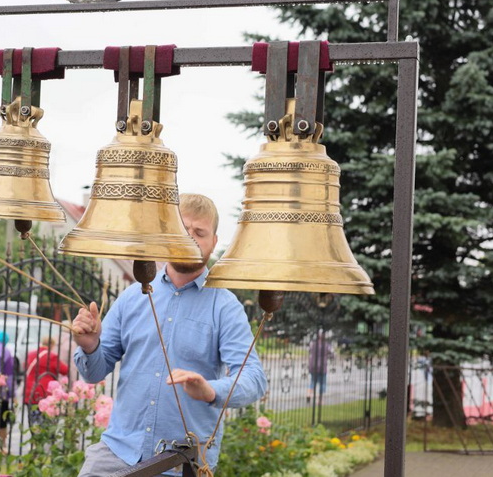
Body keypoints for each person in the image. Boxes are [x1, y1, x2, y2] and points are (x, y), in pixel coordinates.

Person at [71, 193, 268, 476]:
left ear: (213, 242)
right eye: (182, 230)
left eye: (199, 233)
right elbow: (94, 373)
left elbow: (254, 378)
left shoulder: (225, 306)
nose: (189, 239)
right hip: (118, 452)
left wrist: (211, 391)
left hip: (182, 462)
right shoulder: (132, 297)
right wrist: (90, 347)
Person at [25, 335, 69, 425]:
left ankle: (35, 437)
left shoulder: (31, 354)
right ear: (52, 345)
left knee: (34, 423)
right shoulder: (51, 357)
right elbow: (65, 370)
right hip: (44, 392)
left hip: (30, 391)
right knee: (46, 422)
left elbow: (24, 366)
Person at [307, 330, 333, 404]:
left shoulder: (313, 344)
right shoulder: (326, 345)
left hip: (313, 365)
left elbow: (309, 351)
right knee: (322, 383)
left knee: (312, 382)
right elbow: (332, 354)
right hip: (322, 366)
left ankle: (308, 394)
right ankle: (319, 400)